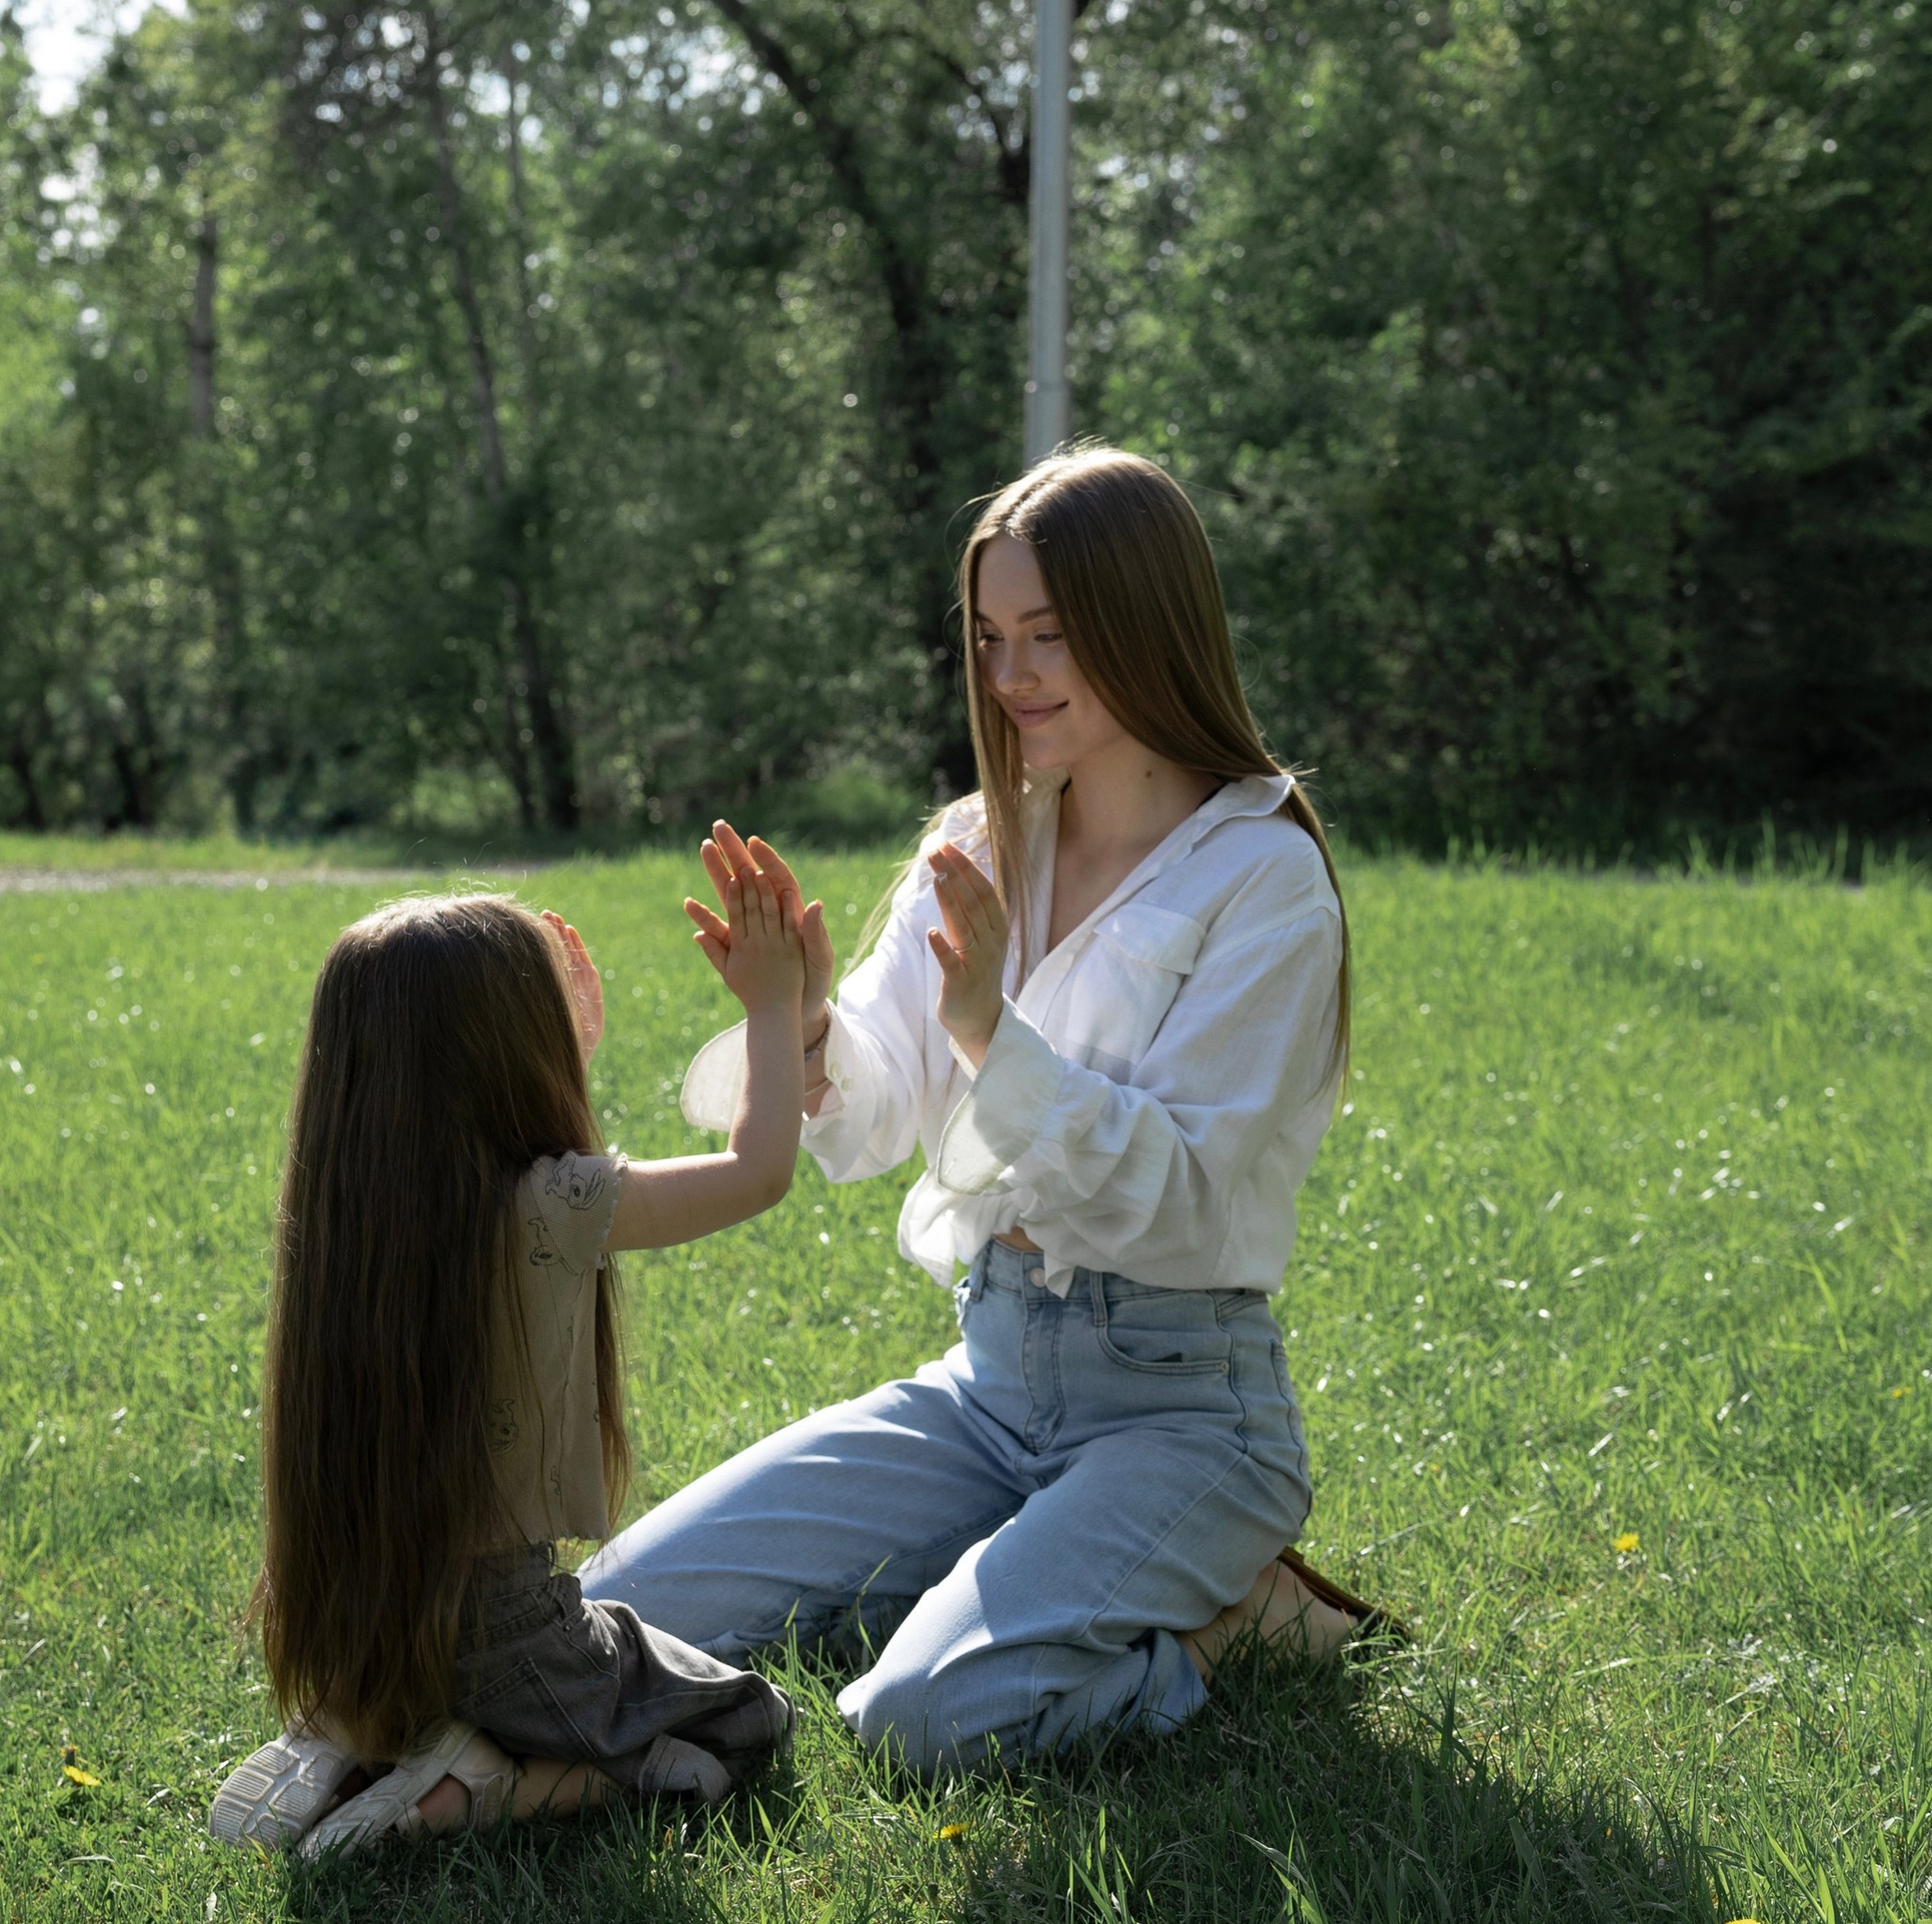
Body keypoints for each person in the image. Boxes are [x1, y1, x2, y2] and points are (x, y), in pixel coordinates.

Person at [587, 445, 1387, 1776]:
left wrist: (989, 1038)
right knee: (617, 1615)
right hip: (987, 1386)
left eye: (1052, 637)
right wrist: (801, 1025)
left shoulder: (1263, 877)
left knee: (917, 1725)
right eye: (991, 638)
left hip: (1182, 1412)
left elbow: (1179, 1190)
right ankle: (1015, 1567)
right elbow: (874, 1115)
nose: (1012, 676)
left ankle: (1230, 1624)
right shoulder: (976, 840)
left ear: (1149, 628)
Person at [209, 878, 807, 1858]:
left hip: (355, 1626)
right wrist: (774, 1005)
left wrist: (554, 1047)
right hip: (508, 1641)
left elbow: (504, 1130)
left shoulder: (345, 1215)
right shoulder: (552, 1206)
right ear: (514, 1051)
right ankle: (478, 1787)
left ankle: (362, 1738)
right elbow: (758, 1170)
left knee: (645, 1702)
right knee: (748, 1717)